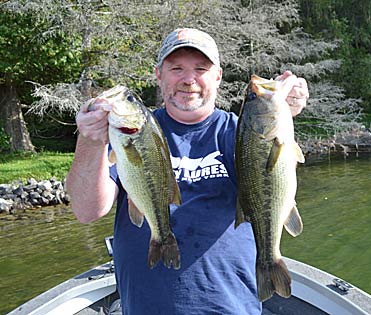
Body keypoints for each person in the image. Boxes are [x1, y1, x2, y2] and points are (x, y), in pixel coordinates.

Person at [66, 28, 309, 315]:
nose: (188, 79)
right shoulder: (134, 133)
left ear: (217, 76)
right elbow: (86, 211)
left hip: (231, 307)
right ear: (159, 74)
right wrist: (90, 142)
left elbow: (274, 182)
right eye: (177, 68)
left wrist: (284, 112)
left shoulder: (240, 132)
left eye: (200, 69)